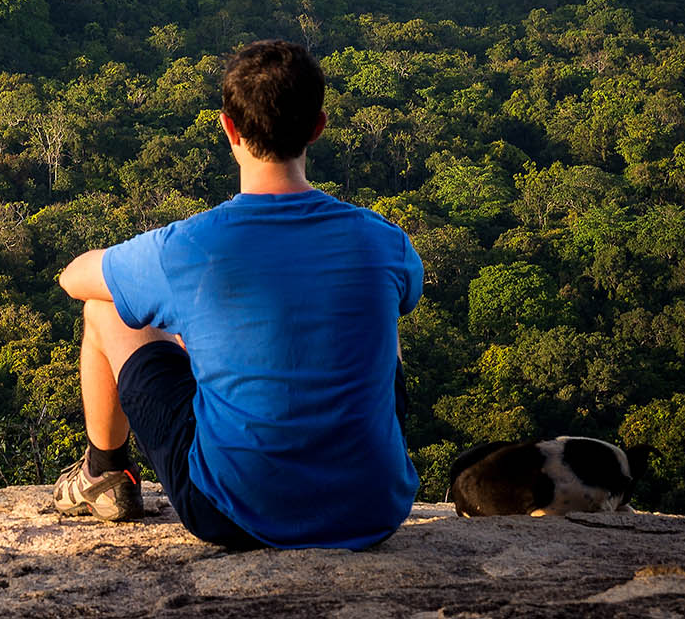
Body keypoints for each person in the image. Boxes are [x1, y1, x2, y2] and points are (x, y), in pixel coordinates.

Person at [52, 39, 422, 550]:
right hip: (372, 509)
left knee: (104, 307)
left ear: (228, 128)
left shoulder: (190, 246)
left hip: (231, 511)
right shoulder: (383, 239)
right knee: (378, 311)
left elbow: (74, 278)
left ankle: (104, 474)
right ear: (319, 126)